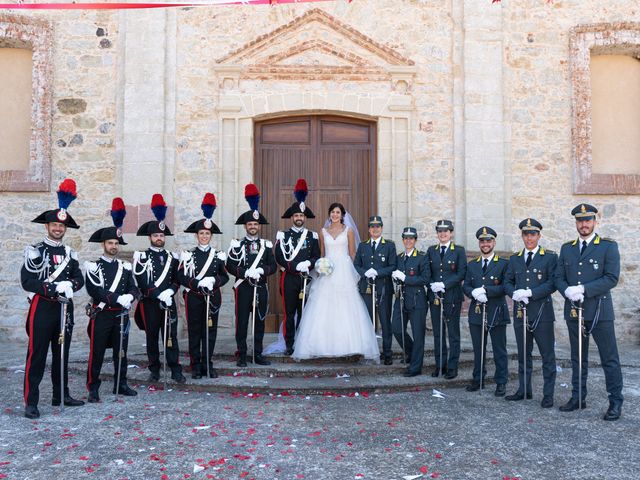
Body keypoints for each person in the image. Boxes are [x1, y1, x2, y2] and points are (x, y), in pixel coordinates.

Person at [21, 178, 85, 419]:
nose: (58, 229)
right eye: (54, 225)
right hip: (43, 308)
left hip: (64, 310)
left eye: (61, 226)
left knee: (62, 355)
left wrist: (72, 285)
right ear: (47, 226)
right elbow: (27, 281)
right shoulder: (36, 250)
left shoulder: (70, 254)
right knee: (37, 355)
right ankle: (31, 401)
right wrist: (53, 288)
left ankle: (61, 394)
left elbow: (79, 278)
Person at [555, 204, 623, 421]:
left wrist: (584, 289)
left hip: (600, 311)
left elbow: (611, 277)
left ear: (595, 221)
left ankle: (615, 402)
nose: (584, 224)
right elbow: (558, 276)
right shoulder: (568, 248)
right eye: (580, 220)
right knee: (578, 357)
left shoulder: (607, 247)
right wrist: (566, 290)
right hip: (575, 311)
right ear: (576, 222)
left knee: (609, 358)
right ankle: (578, 397)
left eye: (588, 220)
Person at [292, 203, 380, 362]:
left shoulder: (348, 230)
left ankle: (350, 345)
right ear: (329, 214)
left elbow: (353, 253)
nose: (335, 215)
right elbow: (322, 253)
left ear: (342, 215)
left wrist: (356, 273)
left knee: (346, 305)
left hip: (344, 271)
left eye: (337, 212)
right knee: (324, 306)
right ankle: (321, 345)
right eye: (332, 212)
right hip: (327, 270)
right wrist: (320, 268)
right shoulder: (323, 231)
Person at [85, 198, 140, 401]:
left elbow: (134, 288)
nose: (114, 246)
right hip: (101, 315)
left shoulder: (125, 267)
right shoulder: (93, 266)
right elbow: (95, 290)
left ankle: (121, 383)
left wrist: (130, 296)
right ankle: (93, 387)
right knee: (97, 352)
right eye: (110, 243)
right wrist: (119, 298)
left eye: (116, 243)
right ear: (103, 244)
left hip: (121, 315)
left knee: (121, 352)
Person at [503, 218, 557, 408]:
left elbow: (552, 283)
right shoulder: (515, 258)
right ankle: (524, 389)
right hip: (521, 313)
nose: (529, 238)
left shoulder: (549, 257)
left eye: (532, 234)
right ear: (522, 236)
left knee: (547, 356)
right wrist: (515, 294)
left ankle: (548, 394)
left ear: (539, 235)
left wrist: (531, 293)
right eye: (526, 234)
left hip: (542, 314)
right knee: (523, 354)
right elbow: (507, 282)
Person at [133, 194, 185, 384]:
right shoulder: (142, 257)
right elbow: (141, 280)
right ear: (150, 237)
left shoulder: (172, 257)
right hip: (150, 303)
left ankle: (175, 369)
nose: (159, 238)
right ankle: (154, 369)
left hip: (168, 302)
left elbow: (177, 278)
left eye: (161, 236)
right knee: (152, 336)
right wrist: (157, 294)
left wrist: (170, 291)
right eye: (156, 235)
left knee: (171, 337)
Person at [177, 193, 229, 379]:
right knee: (195, 331)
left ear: (211, 236)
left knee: (211, 331)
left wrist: (214, 281)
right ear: (197, 236)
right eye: (201, 233)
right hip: (194, 298)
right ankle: (196, 365)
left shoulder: (218, 255)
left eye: (207, 233)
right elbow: (181, 276)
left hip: (212, 298)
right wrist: (197, 283)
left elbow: (225, 277)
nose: (204, 236)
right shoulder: (188, 255)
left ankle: (208, 364)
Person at [225, 184, 278, 367]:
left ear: (258, 226)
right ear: (245, 226)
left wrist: (263, 270)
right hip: (243, 287)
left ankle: (258, 353)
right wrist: (244, 272)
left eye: (255, 224)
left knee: (259, 321)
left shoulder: (266, 245)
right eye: (250, 224)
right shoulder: (237, 245)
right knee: (242, 323)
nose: (253, 227)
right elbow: (229, 265)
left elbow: (273, 266)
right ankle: (241, 354)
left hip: (260, 287)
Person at [275, 179, 321, 356]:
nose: (299, 218)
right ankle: (289, 344)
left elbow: (317, 255)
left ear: (305, 217)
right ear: (292, 218)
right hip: (289, 278)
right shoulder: (283, 235)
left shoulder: (312, 236)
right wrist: (295, 266)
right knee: (289, 312)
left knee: (306, 313)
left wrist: (309, 263)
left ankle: (303, 342)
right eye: (296, 216)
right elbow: (279, 255)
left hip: (307, 278)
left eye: (301, 216)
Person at [462, 227, 509, 396]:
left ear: (494, 242)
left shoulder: (503, 264)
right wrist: (472, 292)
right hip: (477, 311)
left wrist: (487, 291)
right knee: (478, 348)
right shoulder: (472, 264)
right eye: (482, 241)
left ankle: (501, 382)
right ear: (479, 243)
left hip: (496, 311)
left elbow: (506, 286)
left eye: (488, 241)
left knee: (499, 349)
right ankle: (478, 379)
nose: (485, 244)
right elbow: (466, 285)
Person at [426, 219, 467, 379]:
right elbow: (426, 271)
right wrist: (432, 284)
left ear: (451, 233)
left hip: (452, 297)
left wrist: (444, 284)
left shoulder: (458, 250)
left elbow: (461, 272)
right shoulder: (431, 250)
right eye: (440, 231)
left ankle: (452, 366)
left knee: (453, 333)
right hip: (435, 297)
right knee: (438, 333)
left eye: (446, 231)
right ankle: (439, 365)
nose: (443, 234)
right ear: (437, 233)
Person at [354, 216, 397, 364]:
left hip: (383, 287)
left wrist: (378, 272)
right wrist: (364, 272)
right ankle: (370, 351)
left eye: (378, 226)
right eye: (372, 226)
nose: (375, 229)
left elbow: (393, 266)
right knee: (368, 320)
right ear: (369, 229)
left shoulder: (389, 246)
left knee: (385, 321)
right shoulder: (363, 246)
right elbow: (356, 264)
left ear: (382, 228)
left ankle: (387, 352)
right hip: (366, 288)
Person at [391, 227, 430, 376]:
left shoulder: (422, 257)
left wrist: (406, 278)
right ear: (402, 240)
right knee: (396, 328)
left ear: (415, 240)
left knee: (418, 334)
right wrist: (396, 277)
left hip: (417, 300)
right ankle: (412, 354)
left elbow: (425, 279)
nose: (408, 241)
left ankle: (415, 368)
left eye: (411, 238)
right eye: (405, 238)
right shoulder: (399, 257)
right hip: (401, 298)